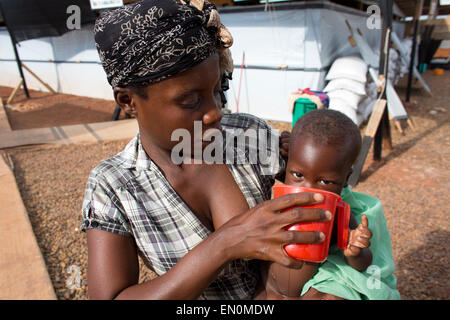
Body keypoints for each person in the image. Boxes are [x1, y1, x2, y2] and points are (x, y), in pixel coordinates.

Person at [81, 0, 333, 300]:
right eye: (190, 100)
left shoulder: (247, 136)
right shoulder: (114, 185)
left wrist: (309, 151)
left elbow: (330, 184)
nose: (215, 113)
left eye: (217, 90)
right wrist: (226, 243)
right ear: (127, 101)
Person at [260, 109, 400, 300]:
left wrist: (355, 251)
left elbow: (362, 264)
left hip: (305, 291)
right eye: (298, 175)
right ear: (286, 166)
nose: (309, 189)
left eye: (325, 182)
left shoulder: (335, 213)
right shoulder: (278, 199)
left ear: (345, 180)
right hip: (268, 287)